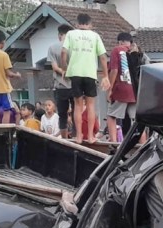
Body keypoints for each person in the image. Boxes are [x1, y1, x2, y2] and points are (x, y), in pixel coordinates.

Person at [61, 13, 109, 143]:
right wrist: (105, 75)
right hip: (90, 74)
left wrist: (65, 68)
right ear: (90, 24)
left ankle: (79, 136)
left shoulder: (71, 34)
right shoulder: (95, 36)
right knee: (91, 105)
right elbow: (103, 57)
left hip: (75, 73)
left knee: (77, 105)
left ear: (77, 24)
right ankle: (91, 136)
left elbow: (63, 52)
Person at [106, 31, 136, 143]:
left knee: (111, 116)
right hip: (134, 90)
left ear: (120, 41)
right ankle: (142, 144)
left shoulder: (117, 50)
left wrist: (110, 89)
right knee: (136, 120)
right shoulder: (135, 51)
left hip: (121, 89)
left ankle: (114, 142)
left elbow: (114, 70)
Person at [49, 24, 74, 138]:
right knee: (76, 112)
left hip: (60, 86)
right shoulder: (74, 47)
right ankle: (76, 136)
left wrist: (63, 72)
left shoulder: (52, 47)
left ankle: (64, 139)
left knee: (62, 115)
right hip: (75, 85)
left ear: (60, 35)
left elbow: (54, 67)